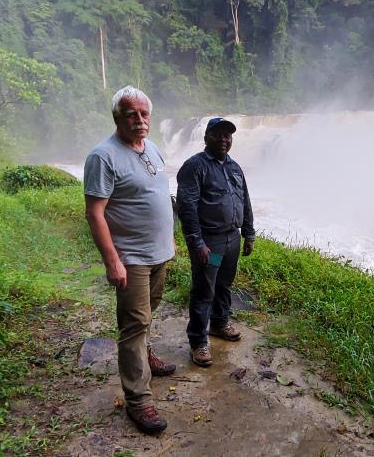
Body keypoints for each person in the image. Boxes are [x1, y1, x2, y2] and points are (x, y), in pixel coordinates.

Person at [83, 85, 176, 435]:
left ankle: (146, 355)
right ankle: (138, 400)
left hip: (158, 254)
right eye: (131, 114)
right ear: (117, 117)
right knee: (134, 324)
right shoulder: (103, 156)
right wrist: (112, 262)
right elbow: (95, 214)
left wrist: (168, 240)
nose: (139, 120)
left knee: (147, 314)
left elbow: (157, 196)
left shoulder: (151, 148)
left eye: (144, 114)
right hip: (131, 259)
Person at [176, 117, 255, 368]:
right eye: (217, 134)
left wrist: (249, 233)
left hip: (232, 239)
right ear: (206, 137)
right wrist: (197, 243)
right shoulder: (195, 167)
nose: (223, 139)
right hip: (211, 243)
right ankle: (198, 342)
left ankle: (220, 324)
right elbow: (187, 208)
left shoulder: (234, 167)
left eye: (227, 135)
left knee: (223, 285)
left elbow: (245, 201)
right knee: (204, 290)